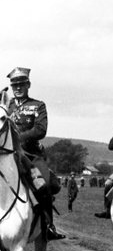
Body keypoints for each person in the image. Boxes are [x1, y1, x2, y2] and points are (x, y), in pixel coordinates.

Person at [6, 67, 65, 241]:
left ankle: (48, 226)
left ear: (28, 85)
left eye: (21, 84)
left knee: (44, 184)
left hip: (30, 155)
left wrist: (16, 138)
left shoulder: (37, 105)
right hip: (6, 154)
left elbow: (40, 130)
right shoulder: (5, 107)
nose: (17, 88)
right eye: (14, 85)